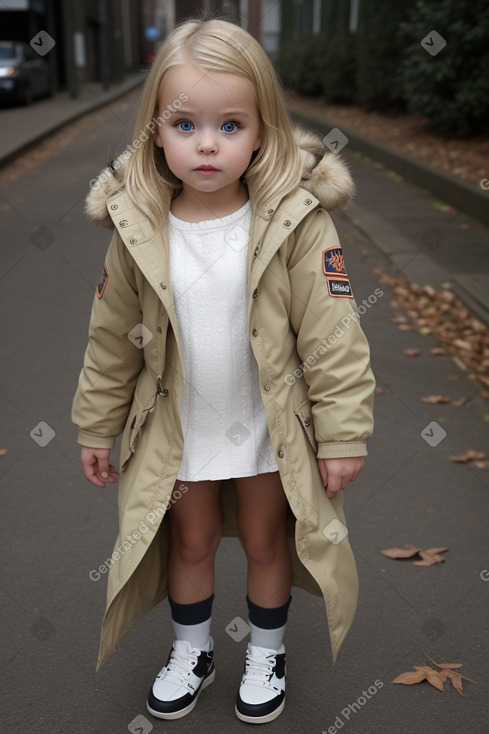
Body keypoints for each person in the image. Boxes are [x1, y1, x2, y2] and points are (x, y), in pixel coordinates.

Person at [72, 17, 375, 725]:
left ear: (263, 130)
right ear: (154, 130)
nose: (207, 143)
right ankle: (193, 648)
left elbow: (334, 336)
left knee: (269, 541)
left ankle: (265, 651)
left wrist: (342, 434)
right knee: (190, 539)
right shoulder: (137, 224)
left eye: (230, 124)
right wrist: (95, 423)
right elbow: (110, 339)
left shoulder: (294, 221)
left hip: (268, 428)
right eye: (185, 124)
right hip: (179, 426)